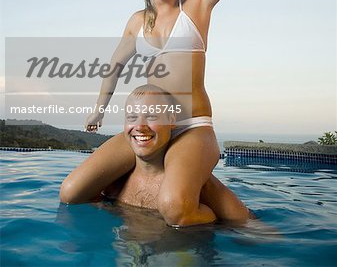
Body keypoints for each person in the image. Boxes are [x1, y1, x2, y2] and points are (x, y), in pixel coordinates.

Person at [60, 0, 310, 226]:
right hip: (148, 127)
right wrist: (99, 109)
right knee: (72, 192)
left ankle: (208, 201)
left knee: (176, 210)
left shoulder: (198, 4)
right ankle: (157, 187)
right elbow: (115, 66)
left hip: (191, 127)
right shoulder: (136, 22)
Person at [101, 84, 251, 224]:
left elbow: (253, 231)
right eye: (132, 118)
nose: (139, 126)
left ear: (171, 121)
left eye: (152, 116)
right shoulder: (112, 184)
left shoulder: (194, 189)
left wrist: (214, 221)